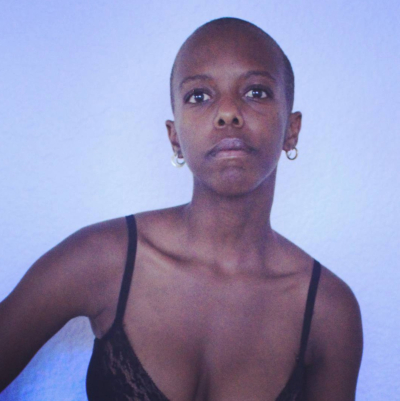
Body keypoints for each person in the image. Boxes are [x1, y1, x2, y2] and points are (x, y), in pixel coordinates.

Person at [0, 17, 363, 401]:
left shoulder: (329, 312)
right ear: (175, 139)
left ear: (292, 129)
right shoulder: (100, 258)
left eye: (256, 92)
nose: (228, 112)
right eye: (199, 96)